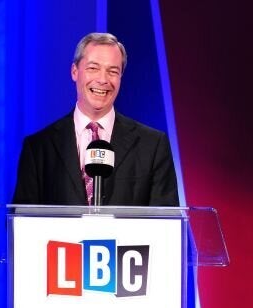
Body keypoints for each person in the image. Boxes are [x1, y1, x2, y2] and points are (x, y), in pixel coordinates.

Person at [13, 32, 179, 206]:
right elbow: (20, 223)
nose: (103, 79)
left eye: (113, 71)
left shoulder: (152, 145)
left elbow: (167, 223)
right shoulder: (38, 148)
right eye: (93, 68)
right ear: (74, 72)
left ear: (121, 77)